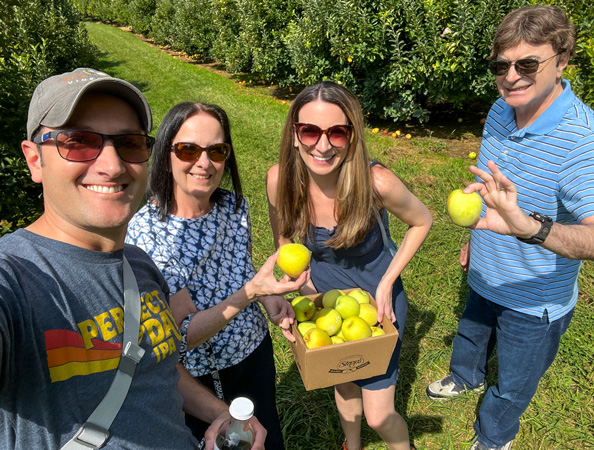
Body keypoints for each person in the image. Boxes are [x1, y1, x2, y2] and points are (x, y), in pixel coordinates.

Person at [0, 68, 271, 450]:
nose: (111, 165)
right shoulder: (18, 280)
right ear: (34, 160)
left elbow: (151, 363)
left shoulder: (139, 267)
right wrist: (251, 292)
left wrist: (218, 413)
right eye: (78, 141)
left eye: (128, 142)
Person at [425, 6, 594, 450]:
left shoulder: (584, 140)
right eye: (502, 65)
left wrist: (531, 229)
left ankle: (493, 437)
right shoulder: (501, 111)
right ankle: (464, 377)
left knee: (513, 386)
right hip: (486, 271)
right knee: (470, 333)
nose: (511, 77)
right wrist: (474, 237)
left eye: (527, 64)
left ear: (562, 59)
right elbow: (486, 186)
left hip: (535, 301)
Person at [126, 101, 307, 450]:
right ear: (165, 153)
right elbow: (181, 337)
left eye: (217, 151)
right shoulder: (147, 234)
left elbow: (239, 268)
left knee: (268, 434)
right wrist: (251, 294)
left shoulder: (234, 207)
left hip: (254, 351)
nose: (204, 163)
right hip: (201, 377)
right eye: (188, 150)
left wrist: (269, 298)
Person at [266, 81, 432, 450]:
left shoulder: (376, 182)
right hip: (324, 299)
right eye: (309, 131)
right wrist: (304, 289)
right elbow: (285, 243)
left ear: (352, 136)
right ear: (294, 134)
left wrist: (389, 281)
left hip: (377, 302)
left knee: (379, 415)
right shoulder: (280, 180)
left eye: (336, 133)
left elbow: (422, 221)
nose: (321, 146)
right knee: (342, 380)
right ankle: (351, 444)